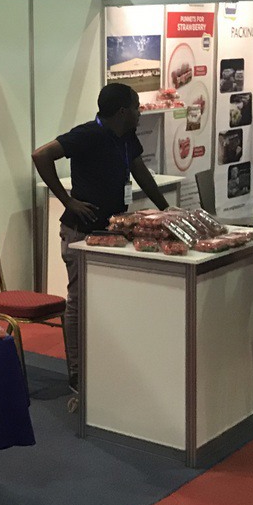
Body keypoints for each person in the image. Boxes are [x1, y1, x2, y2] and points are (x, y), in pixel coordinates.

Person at [32, 82, 169, 392]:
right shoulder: (87, 135)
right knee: (79, 303)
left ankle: (104, 368)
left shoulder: (126, 137)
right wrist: (68, 201)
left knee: (108, 302)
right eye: (136, 107)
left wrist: (166, 209)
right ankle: (77, 374)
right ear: (122, 112)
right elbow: (41, 156)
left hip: (112, 233)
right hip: (81, 233)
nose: (140, 112)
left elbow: (140, 171)